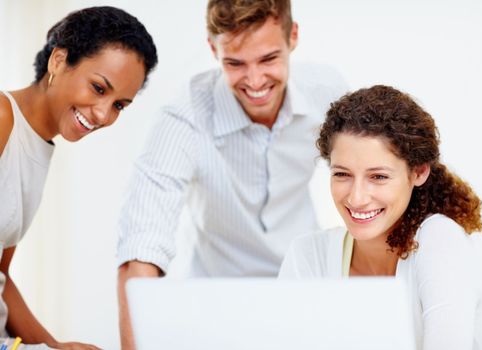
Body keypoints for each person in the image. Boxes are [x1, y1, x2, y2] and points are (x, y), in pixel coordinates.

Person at [116, 0, 348, 348]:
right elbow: (141, 250)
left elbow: (372, 185)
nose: (255, 81)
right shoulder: (186, 116)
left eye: (269, 59)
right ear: (213, 49)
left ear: (293, 36)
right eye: (235, 63)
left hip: (305, 291)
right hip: (214, 303)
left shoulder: (327, 92)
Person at [279, 85, 482, 349]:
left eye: (378, 177)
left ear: (419, 172)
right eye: (342, 174)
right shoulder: (308, 255)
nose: (356, 198)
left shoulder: (440, 241)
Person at [0, 6, 157, 349]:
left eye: (119, 105)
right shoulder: (2, 119)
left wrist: (56, 346)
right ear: (58, 61)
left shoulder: (38, 145)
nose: (103, 114)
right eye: (100, 88)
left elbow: (0, 277)